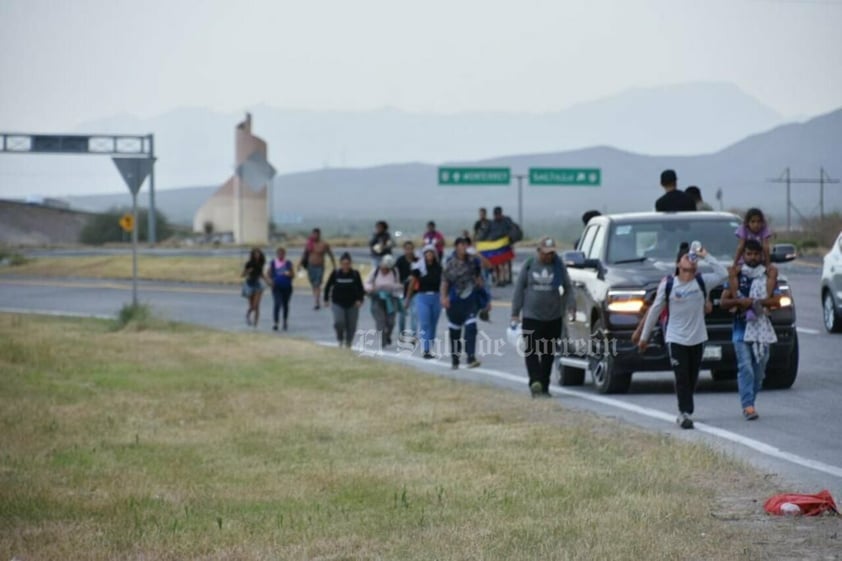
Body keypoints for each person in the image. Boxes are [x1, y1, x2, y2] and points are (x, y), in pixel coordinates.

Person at [636, 241, 728, 429]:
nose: (691, 259)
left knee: (692, 376)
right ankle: (684, 413)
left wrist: (705, 254)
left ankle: (687, 407)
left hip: (698, 338)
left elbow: (723, 274)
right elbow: (654, 310)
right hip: (676, 338)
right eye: (687, 257)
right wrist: (644, 337)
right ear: (678, 264)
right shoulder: (669, 284)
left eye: (693, 258)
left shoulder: (703, 282)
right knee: (681, 376)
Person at [720, 239, 778, 420]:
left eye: (756, 254)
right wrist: (739, 301)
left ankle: (750, 401)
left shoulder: (767, 275)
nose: (752, 258)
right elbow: (723, 302)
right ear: (743, 256)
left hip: (762, 329)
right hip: (741, 328)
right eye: (749, 254)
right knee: (745, 367)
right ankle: (748, 406)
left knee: (759, 370)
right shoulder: (736, 276)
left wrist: (756, 302)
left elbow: (776, 301)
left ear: (761, 255)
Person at [511, 237, 573, 398]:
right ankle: (535, 381)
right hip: (532, 316)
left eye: (551, 253)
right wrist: (515, 313)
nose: (548, 257)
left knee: (548, 354)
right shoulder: (530, 265)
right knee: (531, 351)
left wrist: (568, 306)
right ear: (538, 251)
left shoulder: (558, 267)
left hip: (553, 317)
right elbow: (519, 289)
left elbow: (568, 288)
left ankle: (544, 386)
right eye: (545, 253)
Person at [441, 237, 485, 369]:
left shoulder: (473, 261)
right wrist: (444, 297)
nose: (464, 247)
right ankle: (455, 359)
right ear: (456, 247)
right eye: (461, 245)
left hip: (470, 300)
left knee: (471, 328)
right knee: (455, 332)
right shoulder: (450, 263)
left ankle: (471, 357)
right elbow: (445, 282)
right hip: (455, 301)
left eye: (466, 245)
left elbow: (487, 267)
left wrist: (478, 255)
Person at [732, 208, 778, 308]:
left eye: (759, 222)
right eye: (753, 221)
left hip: (759, 262)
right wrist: (735, 264)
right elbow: (740, 247)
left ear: (762, 223)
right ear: (747, 223)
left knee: (773, 272)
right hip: (744, 262)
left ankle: (766, 300)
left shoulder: (764, 230)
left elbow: (765, 247)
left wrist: (768, 264)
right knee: (732, 273)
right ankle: (736, 300)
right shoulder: (743, 229)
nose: (756, 224)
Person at [407, 245, 443, 359]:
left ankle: (430, 347)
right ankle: (425, 349)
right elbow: (412, 284)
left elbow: (444, 283)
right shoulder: (419, 268)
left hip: (436, 297)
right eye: (427, 254)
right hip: (423, 297)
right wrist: (407, 298)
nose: (429, 256)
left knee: (433, 324)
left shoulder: (439, 268)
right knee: (425, 324)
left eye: (431, 253)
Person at [324, 252, 366, 348]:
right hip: (338, 303)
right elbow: (328, 286)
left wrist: (360, 300)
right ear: (340, 264)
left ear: (350, 264)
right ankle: (340, 338)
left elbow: (360, 288)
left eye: (347, 264)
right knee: (339, 322)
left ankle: (348, 342)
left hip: (352, 303)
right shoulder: (335, 274)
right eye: (343, 264)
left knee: (351, 325)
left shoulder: (355, 274)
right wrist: (326, 299)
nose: (345, 266)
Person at [363, 254, 402, 349]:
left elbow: (398, 285)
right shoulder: (375, 271)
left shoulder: (394, 272)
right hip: (377, 298)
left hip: (391, 299)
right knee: (380, 321)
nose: (385, 269)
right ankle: (383, 340)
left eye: (387, 268)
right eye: (383, 267)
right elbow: (366, 283)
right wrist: (371, 288)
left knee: (391, 322)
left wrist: (392, 287)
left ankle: (388, 335)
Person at [301, 228, 335, 311]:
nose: (315, 236)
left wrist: (334, 264)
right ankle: (316, 299)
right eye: (313, 234)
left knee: (317, 284)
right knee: (313, 284)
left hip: (320, 266)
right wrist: (300, 264)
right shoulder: (309, 243)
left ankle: (316, 301)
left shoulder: (324, 244)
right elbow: (305, 254)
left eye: (316, 234)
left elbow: (330, 254)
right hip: (310, 266)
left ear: (319, 235)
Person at [482, 206, 515, 286]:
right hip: (495, 246)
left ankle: (506, 278)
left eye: (498, 214)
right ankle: (499, 279)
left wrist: (511, 239)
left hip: (505, 245)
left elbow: (512, 230)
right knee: (496, 263)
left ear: (501, 213)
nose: (497, 216)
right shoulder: (492, 223)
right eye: (495, 215)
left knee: (506, 263)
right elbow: (486, 233)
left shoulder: (507, 220)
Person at [394, 240, 419, 341]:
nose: (409, 251)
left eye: (411, 249)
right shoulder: (400, 260)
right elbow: (395, 274)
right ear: (404, 250)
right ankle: (402, 334)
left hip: (416, 291)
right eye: (407, 249)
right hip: (403, 291)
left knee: (414, 313)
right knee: (402, 314)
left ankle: (413, 334)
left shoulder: (417, 260)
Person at [268, 247, 295, 331]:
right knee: (277, 303)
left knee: (285, 304)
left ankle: (285, 321)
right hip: (277, 287)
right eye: (279, 254)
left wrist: (289, 274)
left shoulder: (288, 263)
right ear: (277, 254)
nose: (280, 255)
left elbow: (293, 274)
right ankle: (276, 322)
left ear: (284, 254)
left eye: (282, 254)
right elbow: (269, 273)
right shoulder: (273, 263)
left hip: (287, 286)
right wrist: (271, 281)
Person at [241, 247, 268, 328]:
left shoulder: (261, 263)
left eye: (258, 253)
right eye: (255, 254)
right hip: (249, 284)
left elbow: (261, 274)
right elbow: (242, 275)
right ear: (252, 255)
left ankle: (256, 324)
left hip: (258, 285)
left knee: (256, 306)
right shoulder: (249, 263)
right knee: (252, 306)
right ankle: (248, 315)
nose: (257, 255)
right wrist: (247, 271)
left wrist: (268, 281)